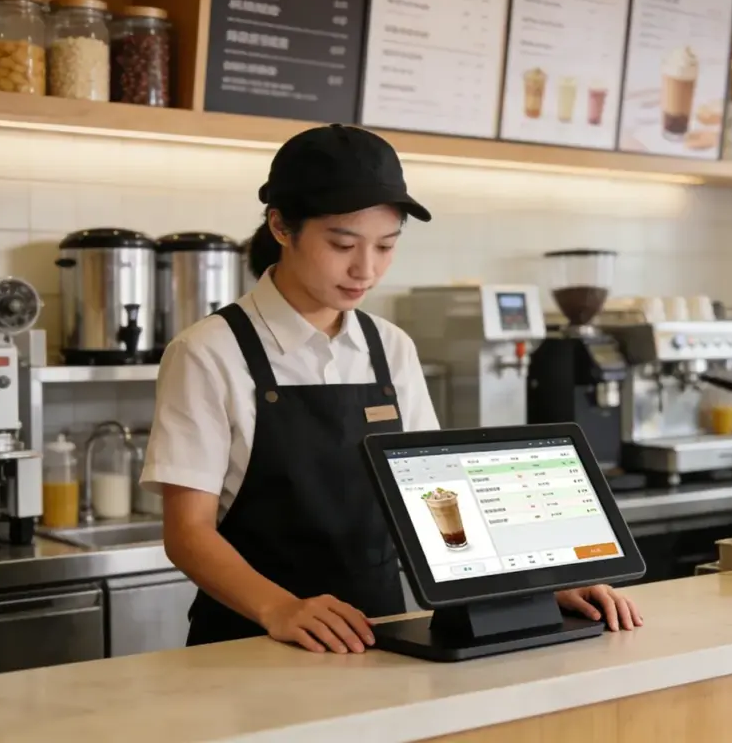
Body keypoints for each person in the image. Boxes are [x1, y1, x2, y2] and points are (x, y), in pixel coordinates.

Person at [140, 124, 642, 654]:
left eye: (386, 246)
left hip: (380, 636)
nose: (366, 269)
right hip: (251, 641)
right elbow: (188, 532)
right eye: (342, 245)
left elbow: (432, 498)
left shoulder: (390, 347)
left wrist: (534, 584)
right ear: (282, 227)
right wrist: (280, 608)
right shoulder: (208, 352)